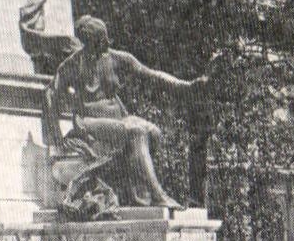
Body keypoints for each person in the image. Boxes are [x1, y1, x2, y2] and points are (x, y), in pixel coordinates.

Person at [53, 17, 213, 210]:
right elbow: (50, 94)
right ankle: (158, 195)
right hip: (88, 121)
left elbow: (151, 74)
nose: (106, 45)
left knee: (153, 132)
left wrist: (187, 85)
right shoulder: (72, 64)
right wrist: (54, 135)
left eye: (105, 40)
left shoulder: (116, 58)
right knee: (137, 132)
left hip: (118, 118)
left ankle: (139, 195)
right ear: (88, 42)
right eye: (100, 41)